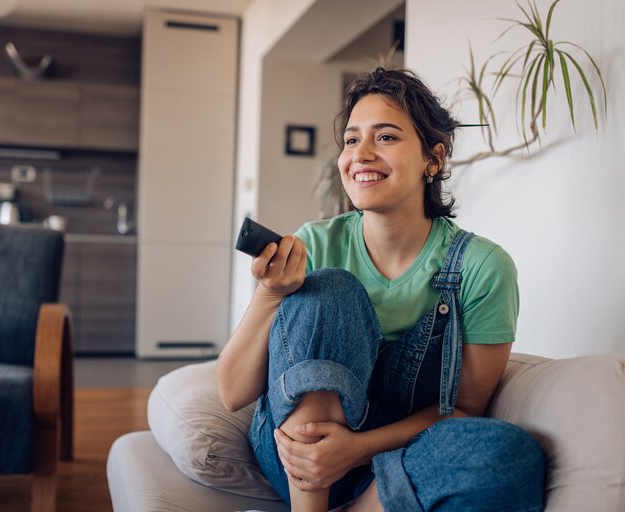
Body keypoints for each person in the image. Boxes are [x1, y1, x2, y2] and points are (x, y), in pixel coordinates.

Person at [217, 68, 545, 512]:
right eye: (352, 140)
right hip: (295, 463)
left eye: (386, 137)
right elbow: (233, 393)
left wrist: (356, 448)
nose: (361, 155)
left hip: (399, 456)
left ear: (434, 159)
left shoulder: (482, 267)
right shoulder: (315, 244)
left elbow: (462, 411)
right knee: (331, 289)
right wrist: (270, 295)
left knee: (511, 456)